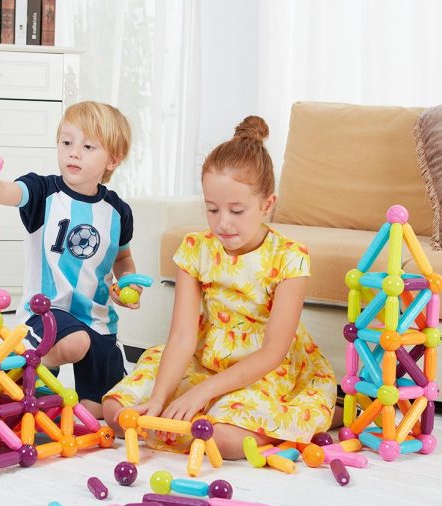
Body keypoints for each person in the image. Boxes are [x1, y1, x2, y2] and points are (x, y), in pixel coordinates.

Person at [103, 115, 337, 458]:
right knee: (117, 411)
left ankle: (312, 415)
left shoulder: (290, 257)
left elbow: (272, 353)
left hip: (262, 369)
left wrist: (201, 393)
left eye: (237, 210)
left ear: (267, 204)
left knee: (220, 439)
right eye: (212, 209)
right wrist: (159, 398)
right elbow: (182, 336)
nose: (222, 223)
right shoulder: (195, 249)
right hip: (204, 357)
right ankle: (195, 411)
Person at [0, 101, 139, 419]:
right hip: (46, 313)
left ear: (113, 159)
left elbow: (123, 257)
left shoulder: (118, 212)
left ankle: (55, 402)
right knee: (75, 342)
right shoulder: (42, 191)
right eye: (67, 142)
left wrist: (128, 283)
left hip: (98, 319)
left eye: (88, 147)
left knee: (102, 410)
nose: (74, 153)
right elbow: (0, 191)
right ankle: (27, 359)